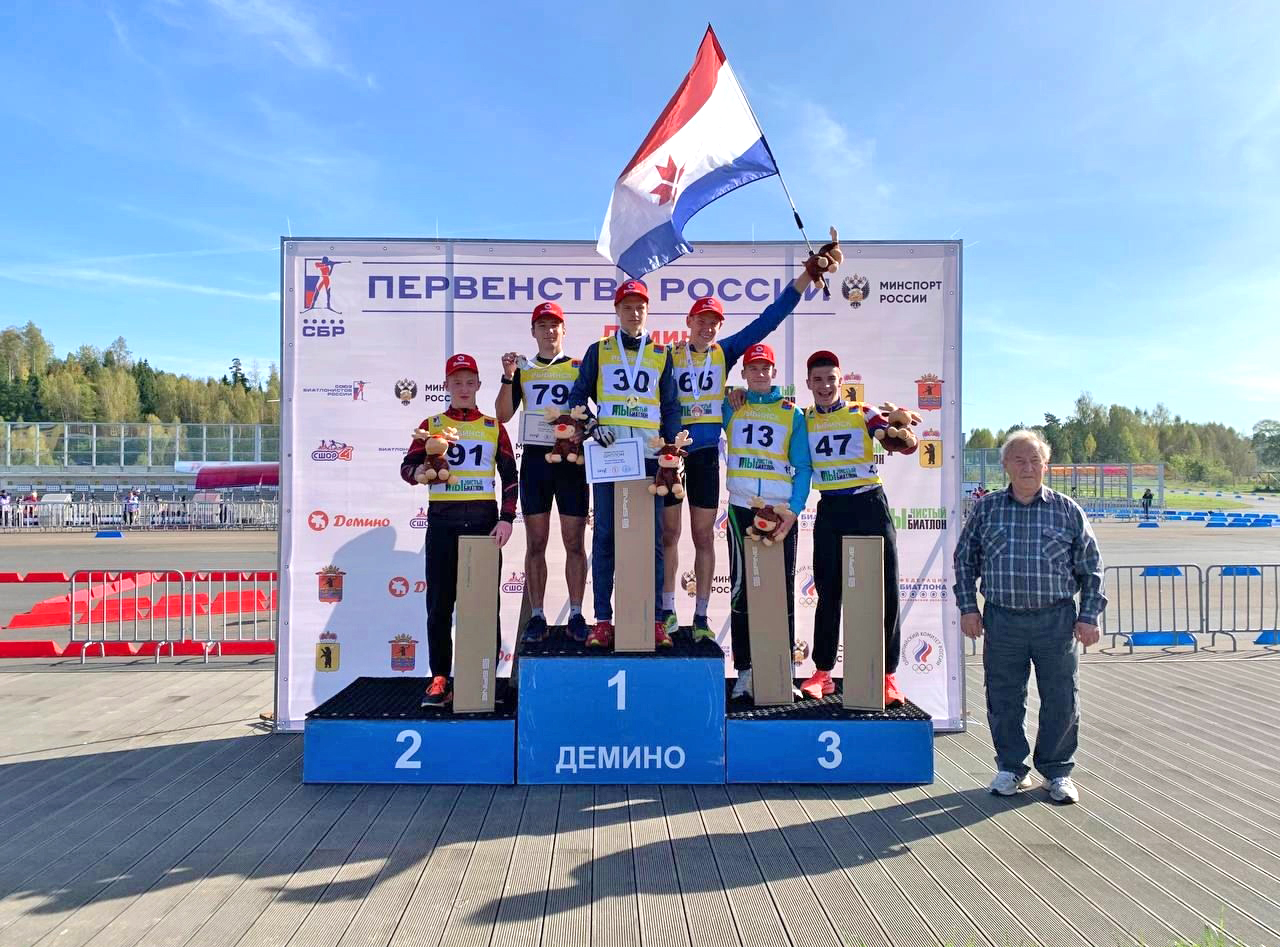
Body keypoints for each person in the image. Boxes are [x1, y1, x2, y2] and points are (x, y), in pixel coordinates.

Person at [660, 263, 823, 642]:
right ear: (688, 322)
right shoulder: (666, 354)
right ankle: (666, 611)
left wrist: (805, 278)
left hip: (704, 456)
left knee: (703, 536)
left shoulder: (725, 352)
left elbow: (768, 320)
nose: (707, 327)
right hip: (673, 456)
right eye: (701, 320)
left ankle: (701, 616)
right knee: (669, 534)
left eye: (714, 322)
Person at [953, 428, 1105, 805]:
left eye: (1035, 460)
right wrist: (968, 608)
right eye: (1019, 460)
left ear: (1046, 466)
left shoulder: (1067, 510)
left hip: (1056, 621)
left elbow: (1091, 567)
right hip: (1002, 620)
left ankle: (1057, 771)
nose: (1027, 467)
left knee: (1061, 698)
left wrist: (1089, 616)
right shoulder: (987, 509)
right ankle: (1011, 768)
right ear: (1005, 465)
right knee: (1004, 697)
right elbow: (964, 560)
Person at [567, 279, 682, 650]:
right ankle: (603, 620)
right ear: (617, 311)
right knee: (604, 536)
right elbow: (576, 397)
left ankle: (654, 620)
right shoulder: (599, 350)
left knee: (652, 540)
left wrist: (671, 449)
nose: (634, 313)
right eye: (628, 307)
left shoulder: (661, 353)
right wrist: (591, 425)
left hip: (648, 457)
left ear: (647, 311)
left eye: (640, 307)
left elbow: (671, 407)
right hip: (610, 455)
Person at [798, 351, 915, 706]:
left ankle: (888, 675)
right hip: (831, 507)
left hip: (869, 504)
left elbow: (891, 439)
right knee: (828, 591)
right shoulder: (803, 418)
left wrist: (903, 435)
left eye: (831, 379)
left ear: (841, 381)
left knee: (886, 590)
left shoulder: (861, 411)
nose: (825, 386)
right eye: (818, 380)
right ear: (808, 383)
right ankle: (822, 672)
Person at [401, 353, 517, 705]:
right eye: (457, 382)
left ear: (478, 385)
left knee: (484, 606)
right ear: (446, 385)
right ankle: (439, 678)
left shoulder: (493, 426)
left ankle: (483, 679)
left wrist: (507, 518)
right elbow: (407, 466)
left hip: (483, 521)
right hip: (442, 521)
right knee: (439, 604)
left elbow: (511, 477)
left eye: (469, 382)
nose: (463, 388)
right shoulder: (431, 424)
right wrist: (418, 473)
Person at [494, 301, 589, 643]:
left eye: (555, 325)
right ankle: (537, 615)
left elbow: (596, 413)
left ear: (564, 330)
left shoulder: (578, 367)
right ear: (533, 331)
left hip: (571, 461)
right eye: (543, 326)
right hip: (535, 460)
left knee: (574, 541)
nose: (549, 331)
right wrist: (508, 376)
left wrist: (584, 430)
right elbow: (503, 415)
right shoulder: (523, 368)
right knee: (536, 541)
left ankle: (576, 613)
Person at [720, 343, 811, 700]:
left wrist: (794, 509)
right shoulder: (732, 406)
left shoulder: (792, 413)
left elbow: (803, 467)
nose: (759, 373)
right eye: (753, 368)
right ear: (743, 373)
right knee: (741, 588)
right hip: (741, 508)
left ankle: (781, 672)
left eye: (765, 368)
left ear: (774, 373)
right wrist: (729, 392)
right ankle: (745, 671)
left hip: (779, 513)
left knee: (781, 590)